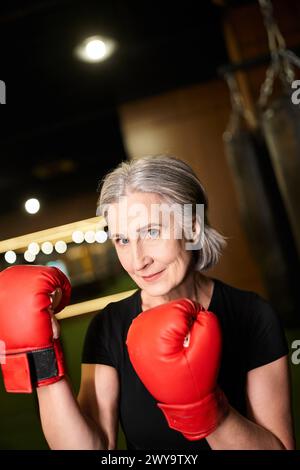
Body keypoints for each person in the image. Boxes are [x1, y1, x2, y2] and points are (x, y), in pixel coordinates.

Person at [0, 155, 295, 450]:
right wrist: (41, 359)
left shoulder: (252, 315)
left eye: (151, 232)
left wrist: (207, 411)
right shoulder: (109, 326)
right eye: (123, 240)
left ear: (192, 228)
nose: (139, 260)